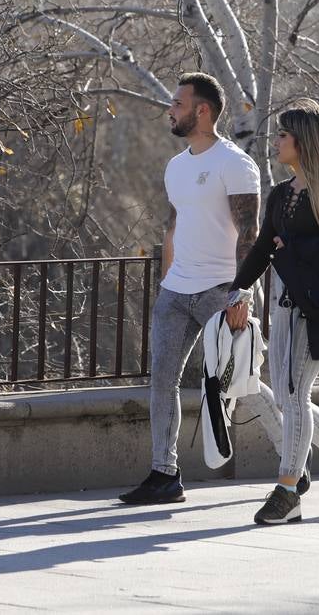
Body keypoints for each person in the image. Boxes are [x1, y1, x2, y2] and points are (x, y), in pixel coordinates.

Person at [226, 98, 319, 526]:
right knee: (291, 398)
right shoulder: (280, 195)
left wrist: (294, 248)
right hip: (282, 307)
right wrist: (238, 290)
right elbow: (261, 249)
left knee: (293, 398)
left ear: (304, 142)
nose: (275, 142)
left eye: (283, 135)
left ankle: (289, 488)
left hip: (317, 310)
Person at [118, 72, 263, 505]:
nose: (171, 110)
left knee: (245, 382)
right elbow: (173, 226)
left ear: (202, 111)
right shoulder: (176, 166)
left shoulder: (235, 163)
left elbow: (249, 236)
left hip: (221, 291)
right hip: (176, 294)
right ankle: (165, 474)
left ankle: (309, 461)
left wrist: (243, 293)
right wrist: (167, 282)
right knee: (162, 380)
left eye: (179, 104)